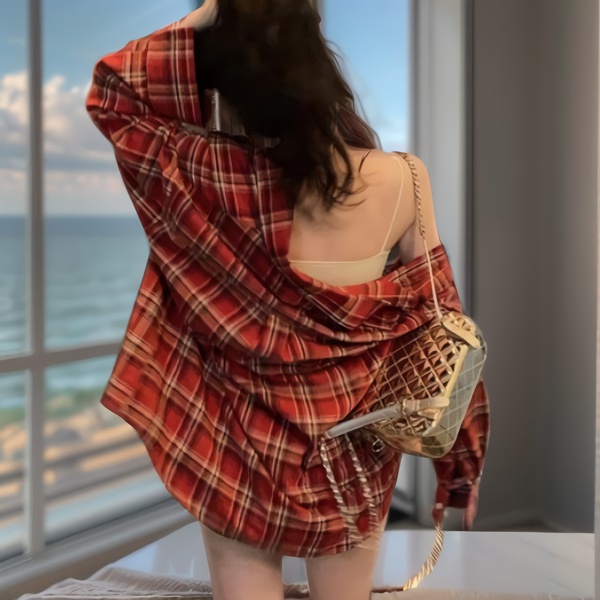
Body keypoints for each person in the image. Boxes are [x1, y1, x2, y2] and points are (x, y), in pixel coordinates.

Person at [85, 1, 490, 599]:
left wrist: (217, 10)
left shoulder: (208, 178)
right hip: (354, 446)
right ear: (320, 68)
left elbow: (112, 92)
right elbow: (442, 321)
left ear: (226, 91)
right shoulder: (403, 176)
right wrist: (462, 459)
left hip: (236, 444)